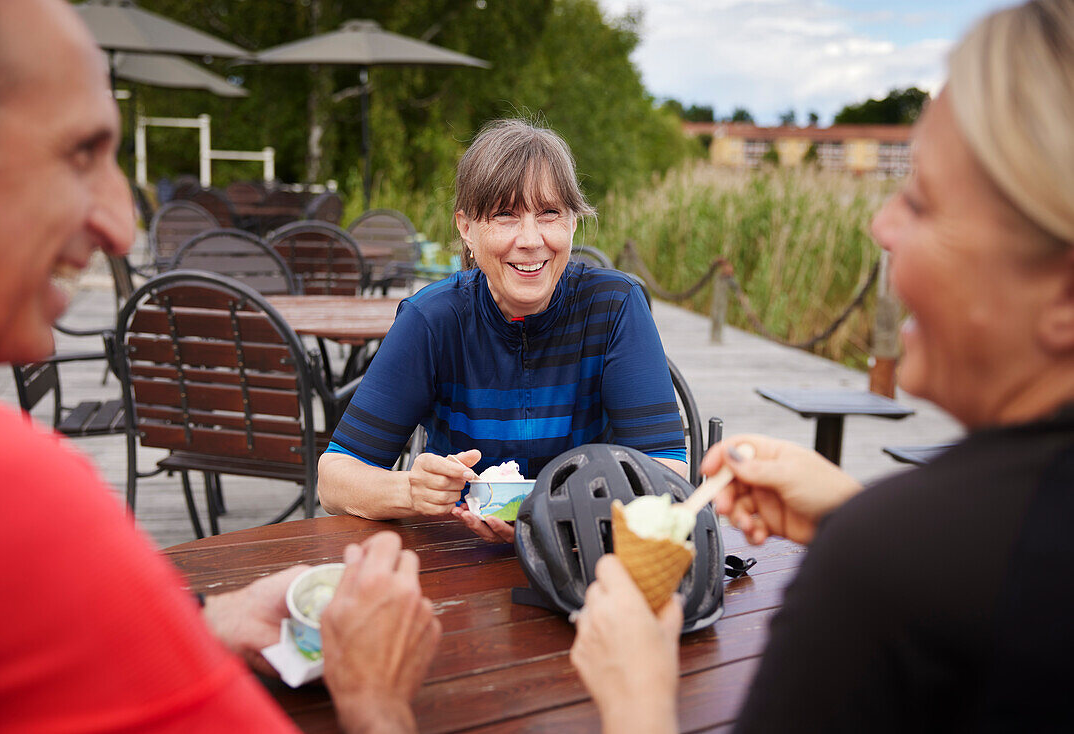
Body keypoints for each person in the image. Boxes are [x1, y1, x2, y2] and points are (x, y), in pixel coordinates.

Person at [570, 0, 1074, 731]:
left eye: (924, 204)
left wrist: (636, 698)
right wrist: (850, 511)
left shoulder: (876, 576)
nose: (881, 226)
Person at [0, 1, 439, 731]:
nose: (122, 224)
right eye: (80, 152)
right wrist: (376, 699)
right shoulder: (6, 486)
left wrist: (203, 622)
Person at [319, 120, 688, 541]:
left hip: (587, 553)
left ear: (571, 222)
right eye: (505, 215)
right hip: (455, 554)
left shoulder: (615, 306)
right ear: (466, 228)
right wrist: (410, 490)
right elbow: (333, 479)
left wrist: (560, 520)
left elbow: (668, 469)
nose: (530, 239)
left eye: (549, 213)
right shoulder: (433, 319)